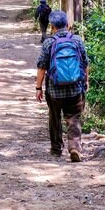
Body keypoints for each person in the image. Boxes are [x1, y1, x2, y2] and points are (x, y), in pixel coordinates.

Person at [35, 10, 89, 162]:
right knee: (74, 118)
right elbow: (85, 63)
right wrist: (86, 81)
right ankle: (74, 147)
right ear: (67, 24)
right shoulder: (77, 40)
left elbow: (41, 67)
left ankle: (56, 148)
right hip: (75, 88)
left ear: (52, 26)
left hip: (54, 90)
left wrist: (38, 88)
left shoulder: (49, 42)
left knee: (54, 118)